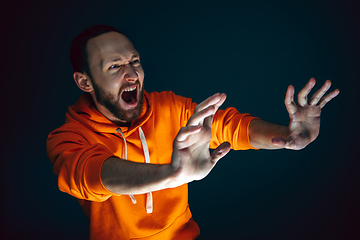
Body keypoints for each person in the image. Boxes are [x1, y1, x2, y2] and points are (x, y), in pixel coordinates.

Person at [46, 24, 339, 240]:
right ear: (85, 82)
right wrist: (171, 175)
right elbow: (90, 173)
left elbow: (229, 126)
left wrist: (288, 138)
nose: (132, 74)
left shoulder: (169, 107)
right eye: (114, 66)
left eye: (134, 61)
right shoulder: (68, 137)